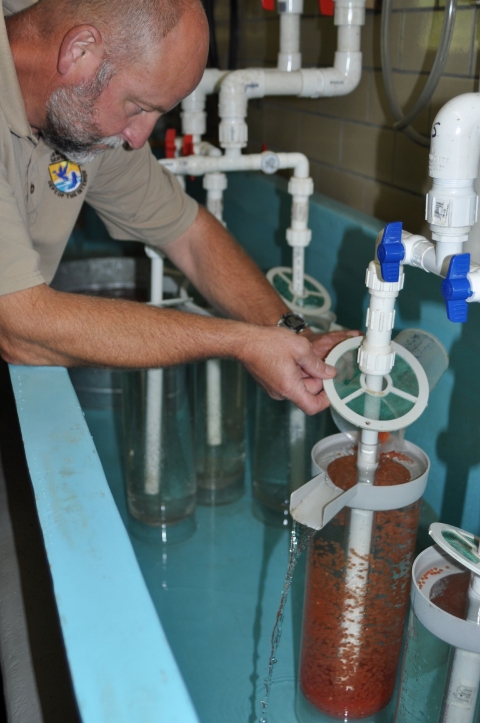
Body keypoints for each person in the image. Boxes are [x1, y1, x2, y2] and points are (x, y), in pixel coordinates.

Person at [0, 0, 358, 415]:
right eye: (138, 107)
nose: (137, 138)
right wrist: (240, 342)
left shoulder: (83, 113)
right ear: (79, 50)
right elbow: (19, 327)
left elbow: (189, 234)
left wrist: (292, 332)